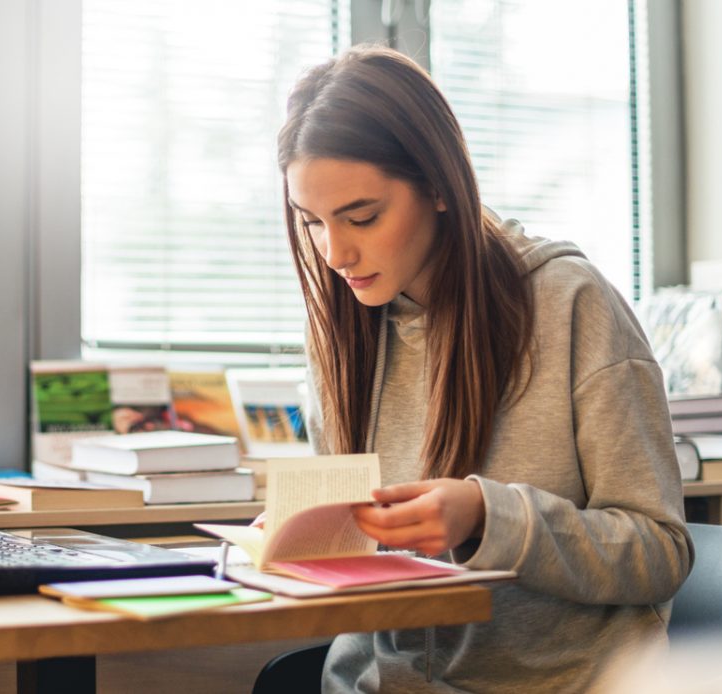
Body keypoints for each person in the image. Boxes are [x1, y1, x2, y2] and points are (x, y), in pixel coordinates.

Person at [276, 46, 692, 692]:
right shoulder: (343, 324)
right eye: (312, 223)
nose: (335, 252)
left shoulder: (569, 303)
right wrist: (298, 539)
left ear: (440, 186)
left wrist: (489, 518)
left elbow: (659, 551)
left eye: (362, 217)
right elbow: (359, 555)